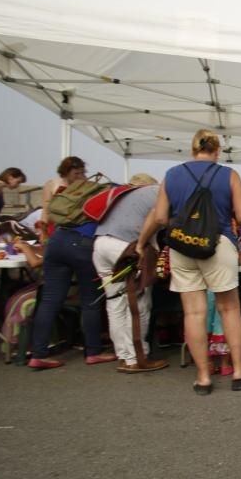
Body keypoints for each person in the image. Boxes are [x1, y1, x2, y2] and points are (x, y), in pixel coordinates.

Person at [137, 129, 241, 394]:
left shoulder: (172, 175)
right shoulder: (228, 175)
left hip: (182, 246)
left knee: (193, 313)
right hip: (219, 243)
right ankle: (239, 372)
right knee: (228, 310)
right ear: (217, 150)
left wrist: (183, 223)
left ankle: (203, 377)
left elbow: (159, 217)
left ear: (192, 149)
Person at [28, 157, 117, 369]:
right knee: (91, 300)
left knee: (50, 300)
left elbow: (47, 215)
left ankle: (38, 354)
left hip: (57, 240)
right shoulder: (100, 191)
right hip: (82, 244)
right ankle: (93, 351)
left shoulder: (59, 189)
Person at [91, 173, 168, 373]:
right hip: (127, 246)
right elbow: (159, 219)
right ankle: (137, 358)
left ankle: (124, 356)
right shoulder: (159, 192)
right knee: (139, 303)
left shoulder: (126, 195)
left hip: (100, 245)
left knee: (115, 303)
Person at [39, 156, 86, 242]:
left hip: (76, 227)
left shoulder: (85, 185)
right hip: (55, 227)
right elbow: (46, 210)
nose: (80, 176)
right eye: (76, 174)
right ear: (66, 172)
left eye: (82, 173)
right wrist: (43, 232)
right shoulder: (52, 185)